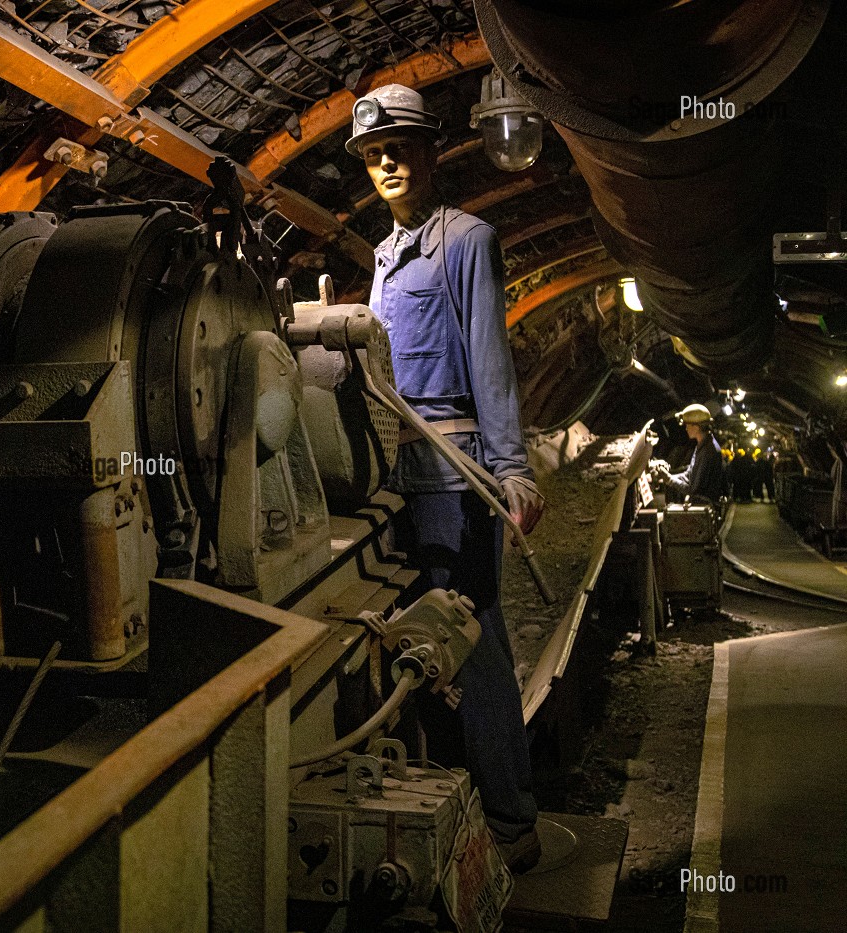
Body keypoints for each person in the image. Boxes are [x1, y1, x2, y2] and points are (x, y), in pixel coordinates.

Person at [350, 84, 545, 872]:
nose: (386, 163)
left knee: (474, 635)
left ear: (433, 152)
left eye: (398, 147)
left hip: (455, 475)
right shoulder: (383, 256)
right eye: (372, 154)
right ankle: (452, 796)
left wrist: (513, 468)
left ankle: (511, 819)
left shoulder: (466, 241)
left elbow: (489, 360)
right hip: (400, 472)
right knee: (421, 639)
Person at [653, 404, 725, 503]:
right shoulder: (703, 444)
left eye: (687, 425)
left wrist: (669, 479)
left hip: (705, 504)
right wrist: (668, 476)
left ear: (696, 427)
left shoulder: (708, 451)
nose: (686, 429)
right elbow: (689, 474)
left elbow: (693, 490)